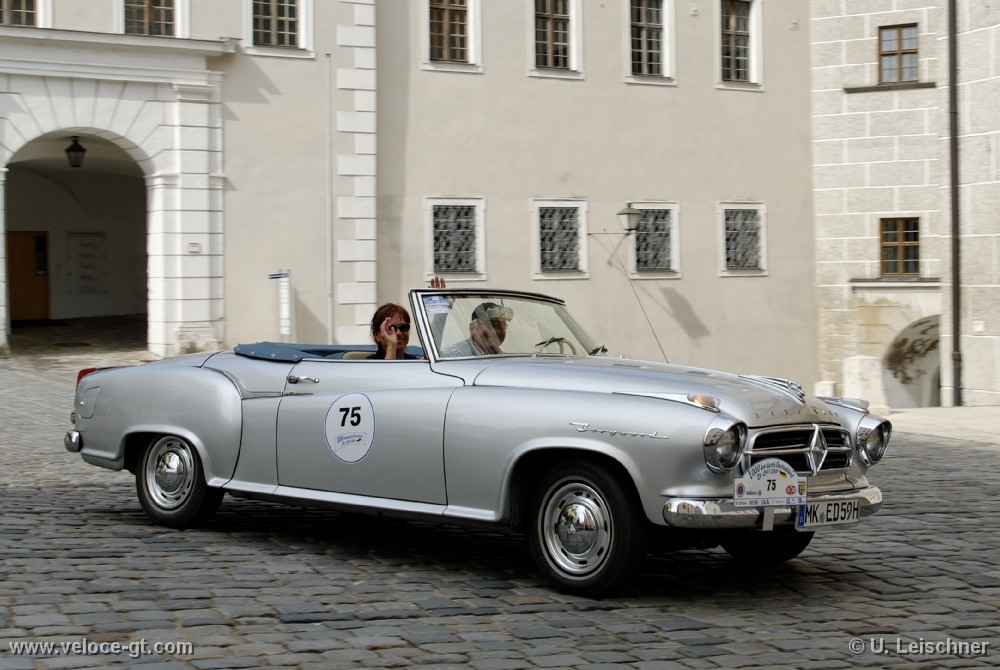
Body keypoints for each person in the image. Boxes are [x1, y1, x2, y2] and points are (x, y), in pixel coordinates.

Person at [439, 302, 513, 357]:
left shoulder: (507, 361)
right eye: (489, 325)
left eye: (500, 326)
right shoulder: (452, 356)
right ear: (472, 328)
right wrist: (440, 315)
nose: (495, 331)